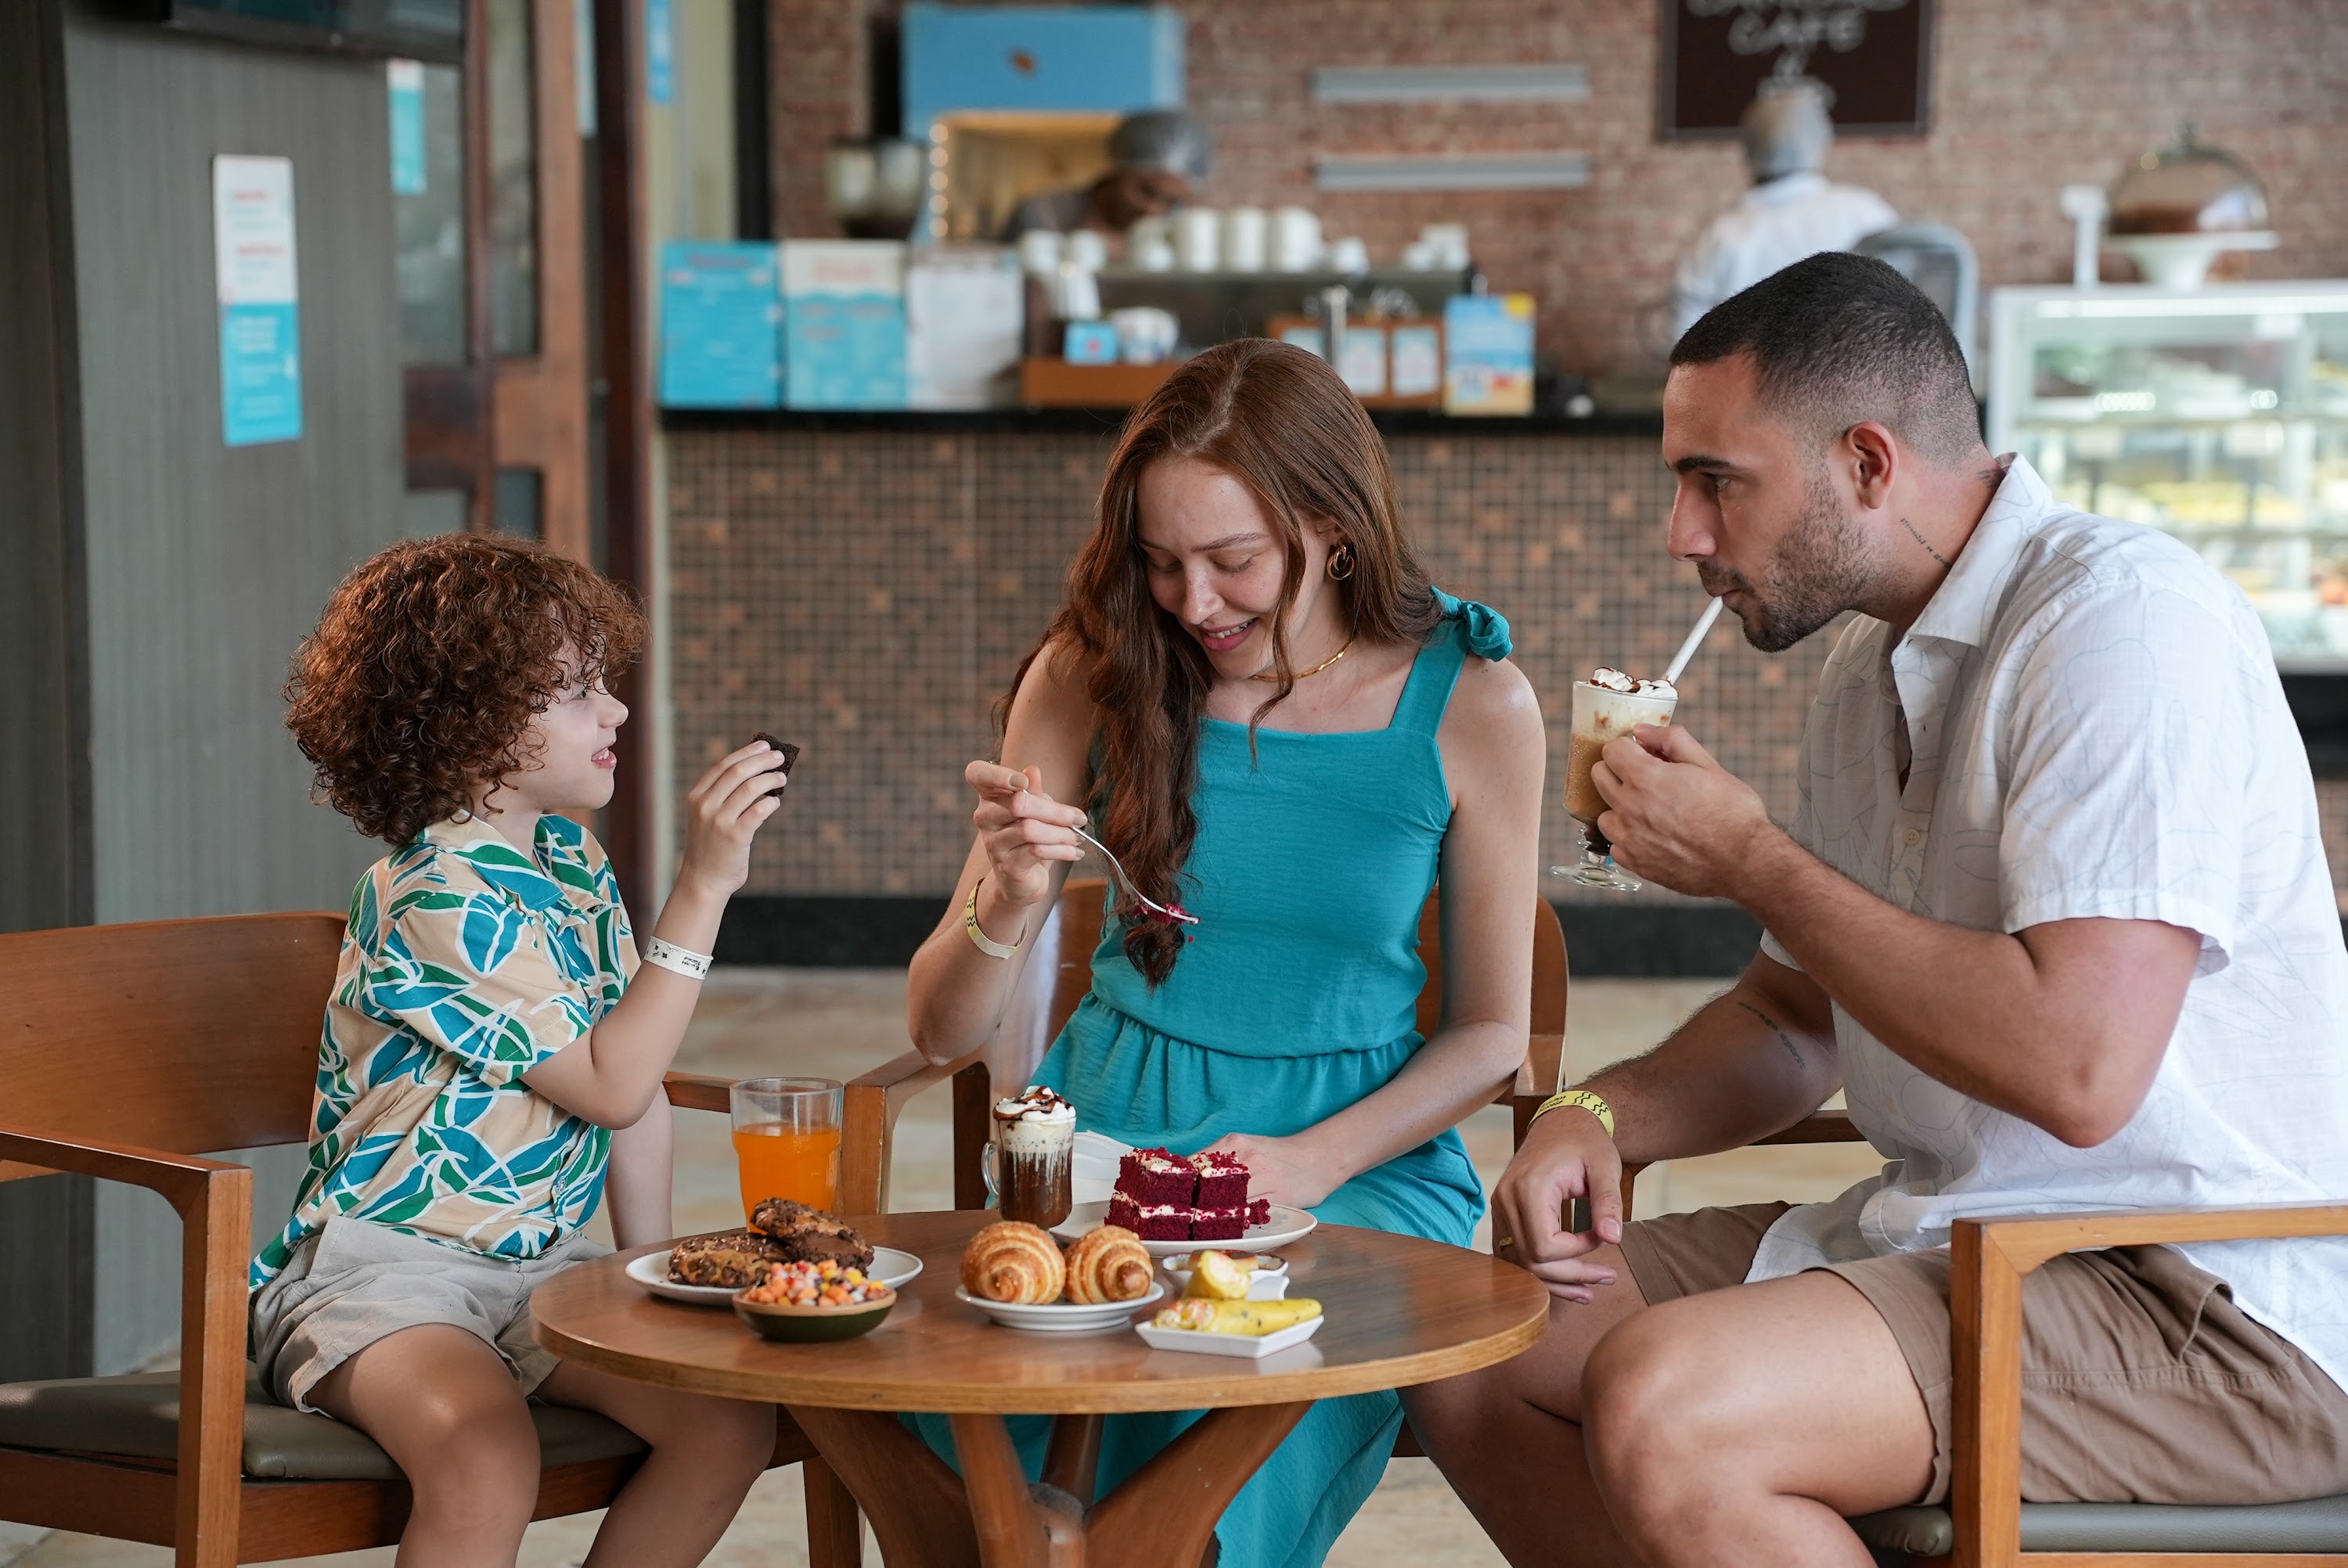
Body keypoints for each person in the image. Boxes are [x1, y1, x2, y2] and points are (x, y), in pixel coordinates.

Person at [1408, 252, 2348, 1566]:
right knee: (1478, 1343)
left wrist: (1754, 861)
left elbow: (2081, 1070)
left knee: (1674, 1407)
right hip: (1951, 1243)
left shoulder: (2125, 628)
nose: (1682, 531)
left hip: (2196, 1297)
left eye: (1714, 481)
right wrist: (1601, 1113)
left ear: (1867, 461)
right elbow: (1797, 1020)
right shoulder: (1865, 674)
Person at [905, 336, 1545, 1565]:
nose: (1194, 605)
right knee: (991, 1498)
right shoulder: (1092, 675)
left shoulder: (1473, 699)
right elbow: (939, 1031)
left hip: (1355, 1166)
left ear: (1336, 527)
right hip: (1101, 1145)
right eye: (1160, 564)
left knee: (1201, 1454)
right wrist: (1015, 893)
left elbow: (1491, 1037)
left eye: (1234, 561)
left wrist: (1304, 1164)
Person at [251, 535, 787, 1567]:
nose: (617, 711)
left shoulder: (567, 861)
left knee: (725, 1417)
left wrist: (650, 1268)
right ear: (476, 725)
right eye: (579, 689)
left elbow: (639, 1088)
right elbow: (610, 1080)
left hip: (538, 1276)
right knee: (484, 1455)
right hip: (384, 1275)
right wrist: (704, 888)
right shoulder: (434, 894)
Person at [1669, 79, 1896, 340]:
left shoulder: (1722, 235)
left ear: (1747, 150)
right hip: (1861, 375)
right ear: (1820, 142)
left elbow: (1683, 336)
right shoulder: (1866, 213)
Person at [1001, 107, 1212, 240]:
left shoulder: (1178, 234)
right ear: (1118, 167)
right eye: (1146, 191)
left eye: (1171, 202)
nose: (1153, 210)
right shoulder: (1043, 215)